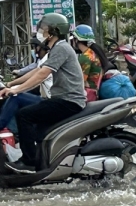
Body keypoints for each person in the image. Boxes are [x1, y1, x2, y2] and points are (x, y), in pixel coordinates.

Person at [0, 13, 87, 171]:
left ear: (53, 32)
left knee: (24, 115)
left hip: (69, 101)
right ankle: (41, 163)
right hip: (62, 99)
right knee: (40, 128)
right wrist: (11, 85)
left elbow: (42, 74)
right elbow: (37, 70)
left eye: (43, 29)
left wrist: (16, 90)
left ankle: (29, 162)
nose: (40, 32)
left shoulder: (61, 48)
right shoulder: (57, 49)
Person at [69, 24, 107, 100]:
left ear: (76, 40)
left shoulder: (85, 57)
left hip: (87, 95)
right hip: (94, 92)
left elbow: (79, 81)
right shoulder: (92, 53)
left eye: (73, 38)